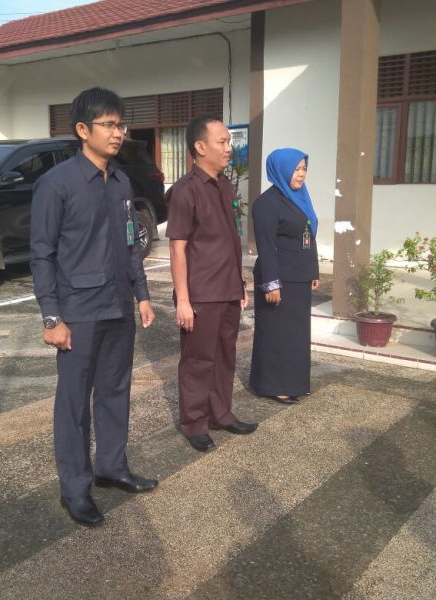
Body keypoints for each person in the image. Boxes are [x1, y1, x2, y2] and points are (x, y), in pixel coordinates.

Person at [30, 87, 157, 527]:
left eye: (121, 125)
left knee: (116, 391)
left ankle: (112, 467)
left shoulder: (121, 181)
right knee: (73, 404)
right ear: (83, 130)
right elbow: (42, 254)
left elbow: (131, 243)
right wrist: (52, 316)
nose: (118, 133)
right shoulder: (57, 184)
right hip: (79, 312)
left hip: (118, 306)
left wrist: (142, 294)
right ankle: (76, 489)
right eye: (109, 125)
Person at [166, 114, 258, 453]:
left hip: (228, 288)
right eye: (222, 142)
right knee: (197, 361)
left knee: (224, 356)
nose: (228, 148)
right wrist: (183, 300)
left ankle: (221, 413)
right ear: (200, 147)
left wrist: (240, 283)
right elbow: (177, 248)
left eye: (228, 141)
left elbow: (230, 239)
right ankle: (194, 423)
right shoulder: (185, 191)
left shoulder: (225, 185)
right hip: (201, 293)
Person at [249, 148, 320, 404]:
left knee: (295, 335)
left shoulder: (300, 198)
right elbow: (266, 247)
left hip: (299, 278)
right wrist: (271, 284)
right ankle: (272, 385)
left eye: (304, 169)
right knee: (275, 333)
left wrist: (313, 271)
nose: (301, 174)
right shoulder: (267, 203)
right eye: (295, 169)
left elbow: (308, 237)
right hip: (278, 278)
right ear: (280, 170)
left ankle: (294, 383)